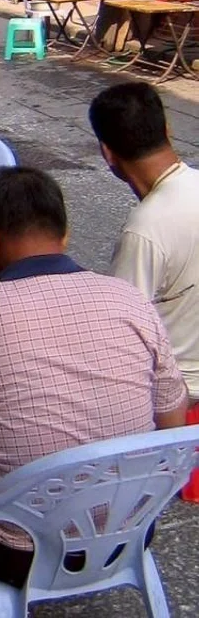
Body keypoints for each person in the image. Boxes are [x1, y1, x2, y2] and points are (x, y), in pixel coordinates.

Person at [0, 167, 187, 587]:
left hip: (16, 554)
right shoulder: (131, 300)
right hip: (129, 535)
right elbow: (171, 423)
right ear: (64, 231)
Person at [89, 82, 199, 409]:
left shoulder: (145, 230)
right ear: (168, 129)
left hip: (181, 397)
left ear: (107, 152)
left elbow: (118, 338)